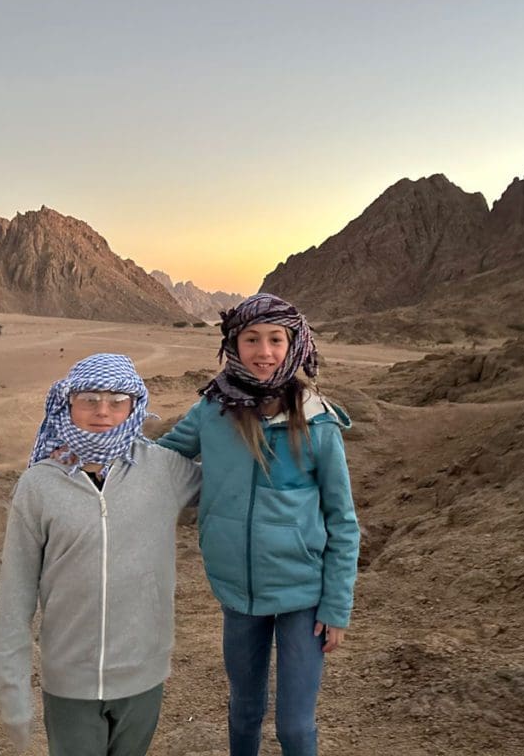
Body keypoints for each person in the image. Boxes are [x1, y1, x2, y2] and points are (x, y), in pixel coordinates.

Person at [157, 293, 360, 756]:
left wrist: (336, 605)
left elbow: (343, 521)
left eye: (275, 339)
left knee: (294, 727)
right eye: (251, 339)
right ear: (234, 343)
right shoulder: (213, 410)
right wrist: (98, 452)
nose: (263, 352)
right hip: (238, 591)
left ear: (294, 345)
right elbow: (164, 457)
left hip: (303, 594)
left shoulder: (316, 422)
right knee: (244, 710)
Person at [0, 353, 200, 756]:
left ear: (134, 405)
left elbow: (233, 488)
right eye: (89, 399)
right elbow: (14, 599)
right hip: (71, 681)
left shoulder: (164, 470)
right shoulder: (39, 486)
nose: (102, 412)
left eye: (117, 400)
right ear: (68, 404)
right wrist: (12, 692)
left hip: (144, 676)